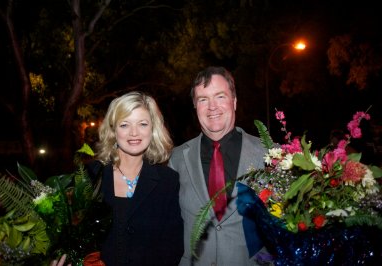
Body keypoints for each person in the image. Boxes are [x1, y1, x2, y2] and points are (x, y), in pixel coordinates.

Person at [55, 91, 184, 265]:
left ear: (153, 129)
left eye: (143, 124)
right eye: (124, 125)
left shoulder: (168, 181)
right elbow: (66, 236)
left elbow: (172, 248)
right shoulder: (89, 176)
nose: (134, 133)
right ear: (113, 130)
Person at [168, 66, 269, 265]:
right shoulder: (176, 159)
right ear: (195, 107)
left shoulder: (269, 155)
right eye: (203, 99)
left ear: (235, 101)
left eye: (220, 96)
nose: (212, 106)